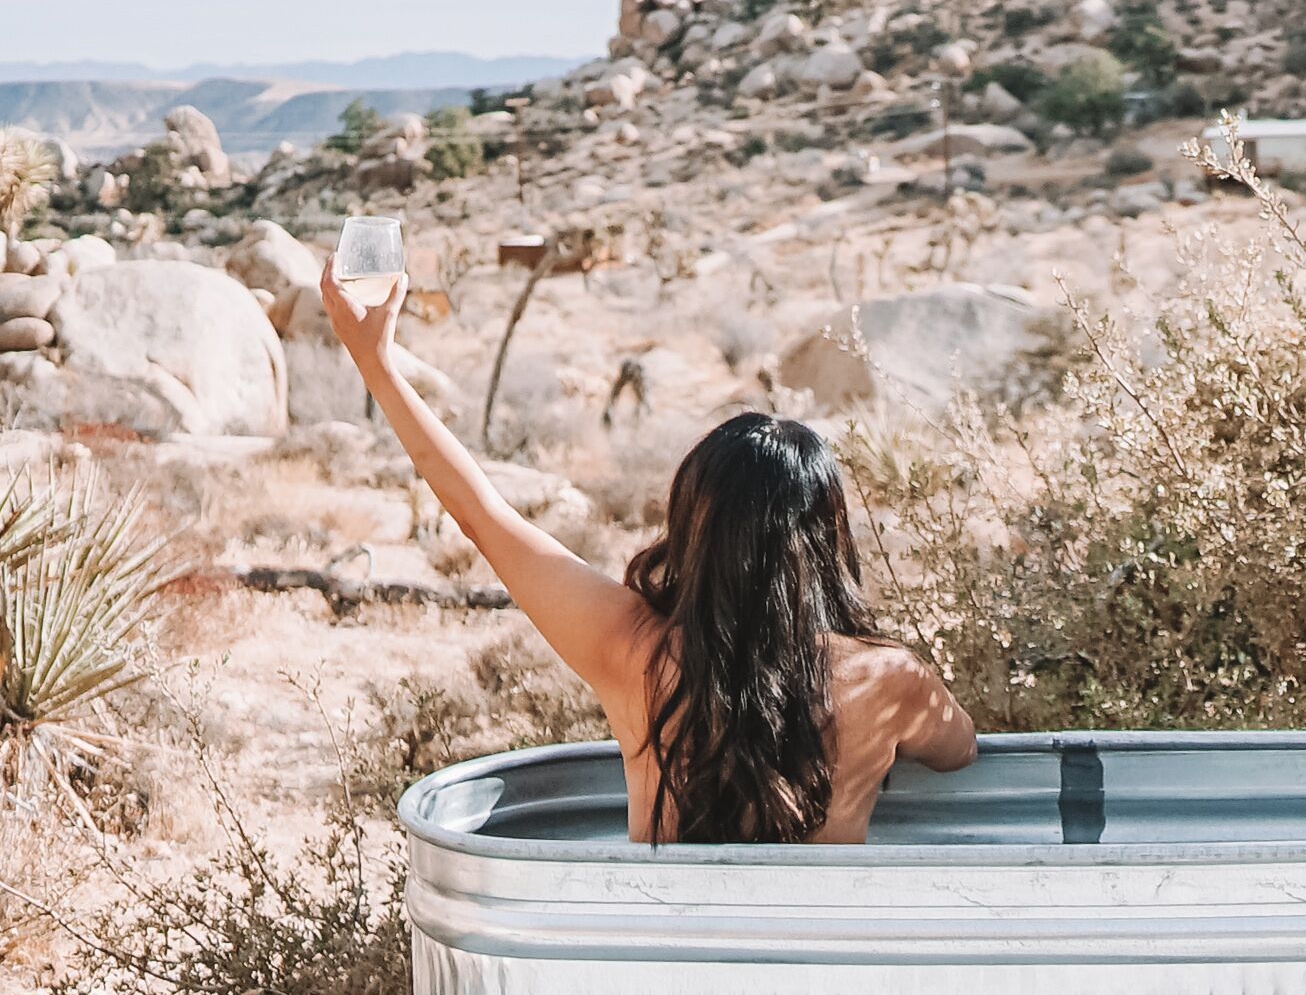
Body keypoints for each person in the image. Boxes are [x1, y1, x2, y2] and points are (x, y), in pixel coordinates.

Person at [324, 264, 975, 843]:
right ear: (828, 538)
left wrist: (375, 362)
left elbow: (482, 515)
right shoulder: (889, 680)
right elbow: (960, 752)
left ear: (692, 526)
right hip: (822, 969)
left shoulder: (631, 650)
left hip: (659, 968)